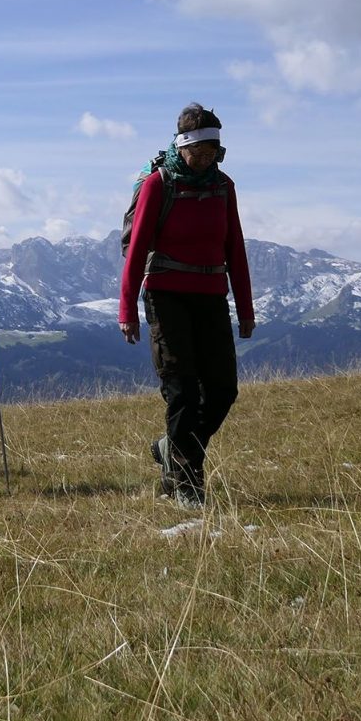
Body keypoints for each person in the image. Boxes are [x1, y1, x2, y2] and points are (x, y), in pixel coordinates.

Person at [118, 104, 255, 509]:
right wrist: (127, 310)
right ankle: (185, 482)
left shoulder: (224, 187)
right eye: (202, 151)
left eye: (215, 150)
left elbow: (236, 248)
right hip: (166, 295)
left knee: (222, 391)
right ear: (184, 147)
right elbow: (137, 249)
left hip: (212, 296)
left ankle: (171, 447)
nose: (208, 158)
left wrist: (245, 308)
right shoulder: (158, 186)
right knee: (181, 391)